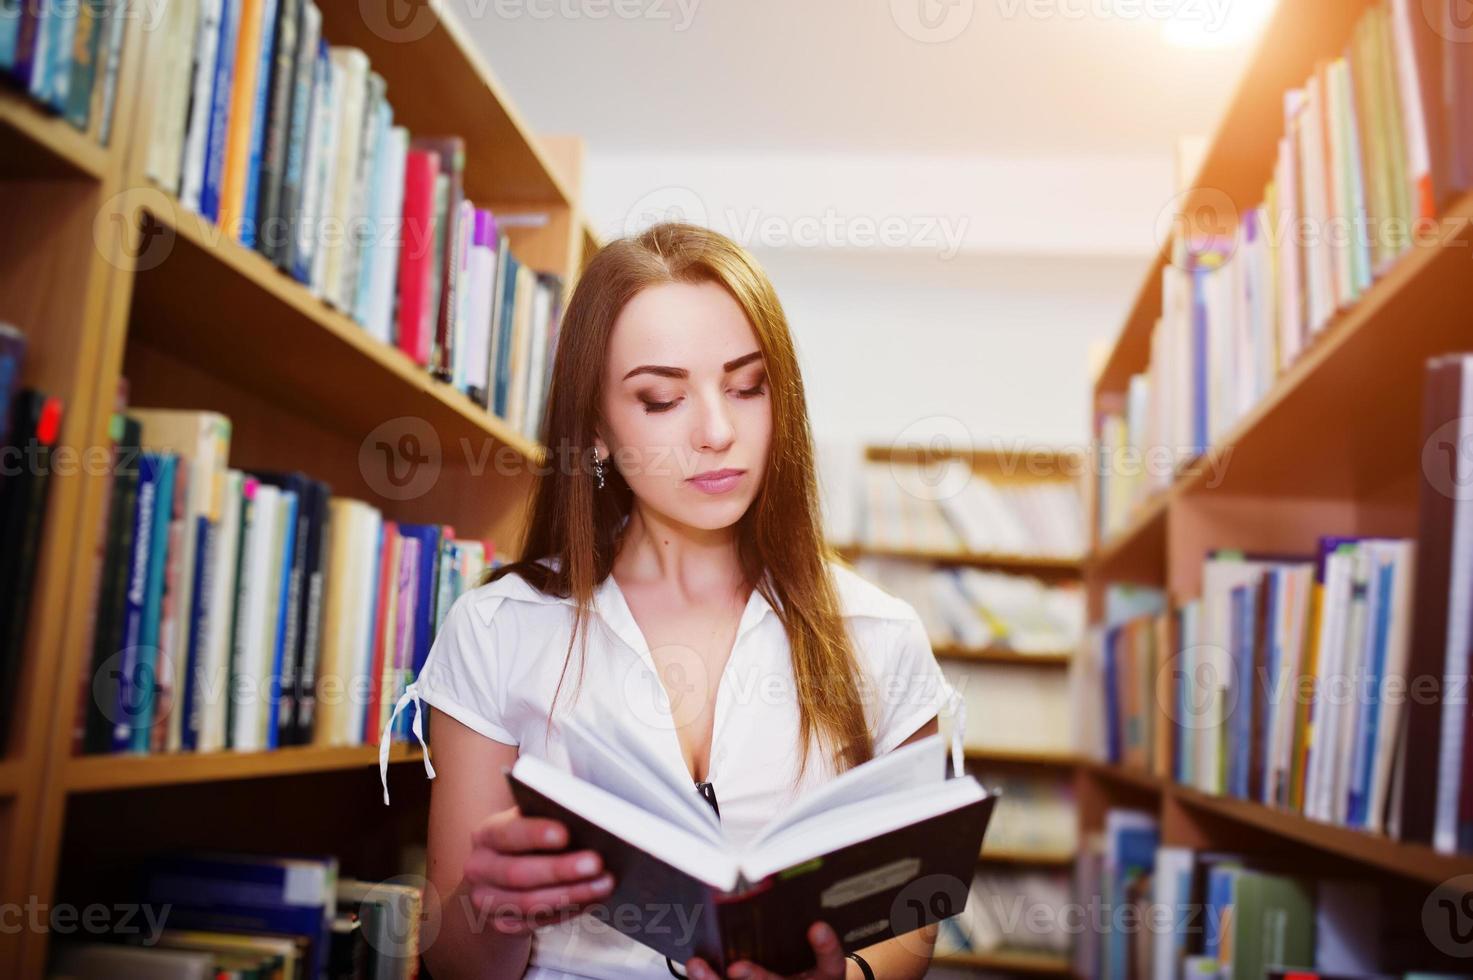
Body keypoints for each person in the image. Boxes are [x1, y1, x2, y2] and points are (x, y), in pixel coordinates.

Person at [378, 222, 964, 980]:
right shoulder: (497, 629)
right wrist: (489, 908)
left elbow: (912, 924)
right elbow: (458, 967)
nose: (717, 432)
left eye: (747, 387)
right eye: (660, 399)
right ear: (594, 428)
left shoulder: (879, 635)